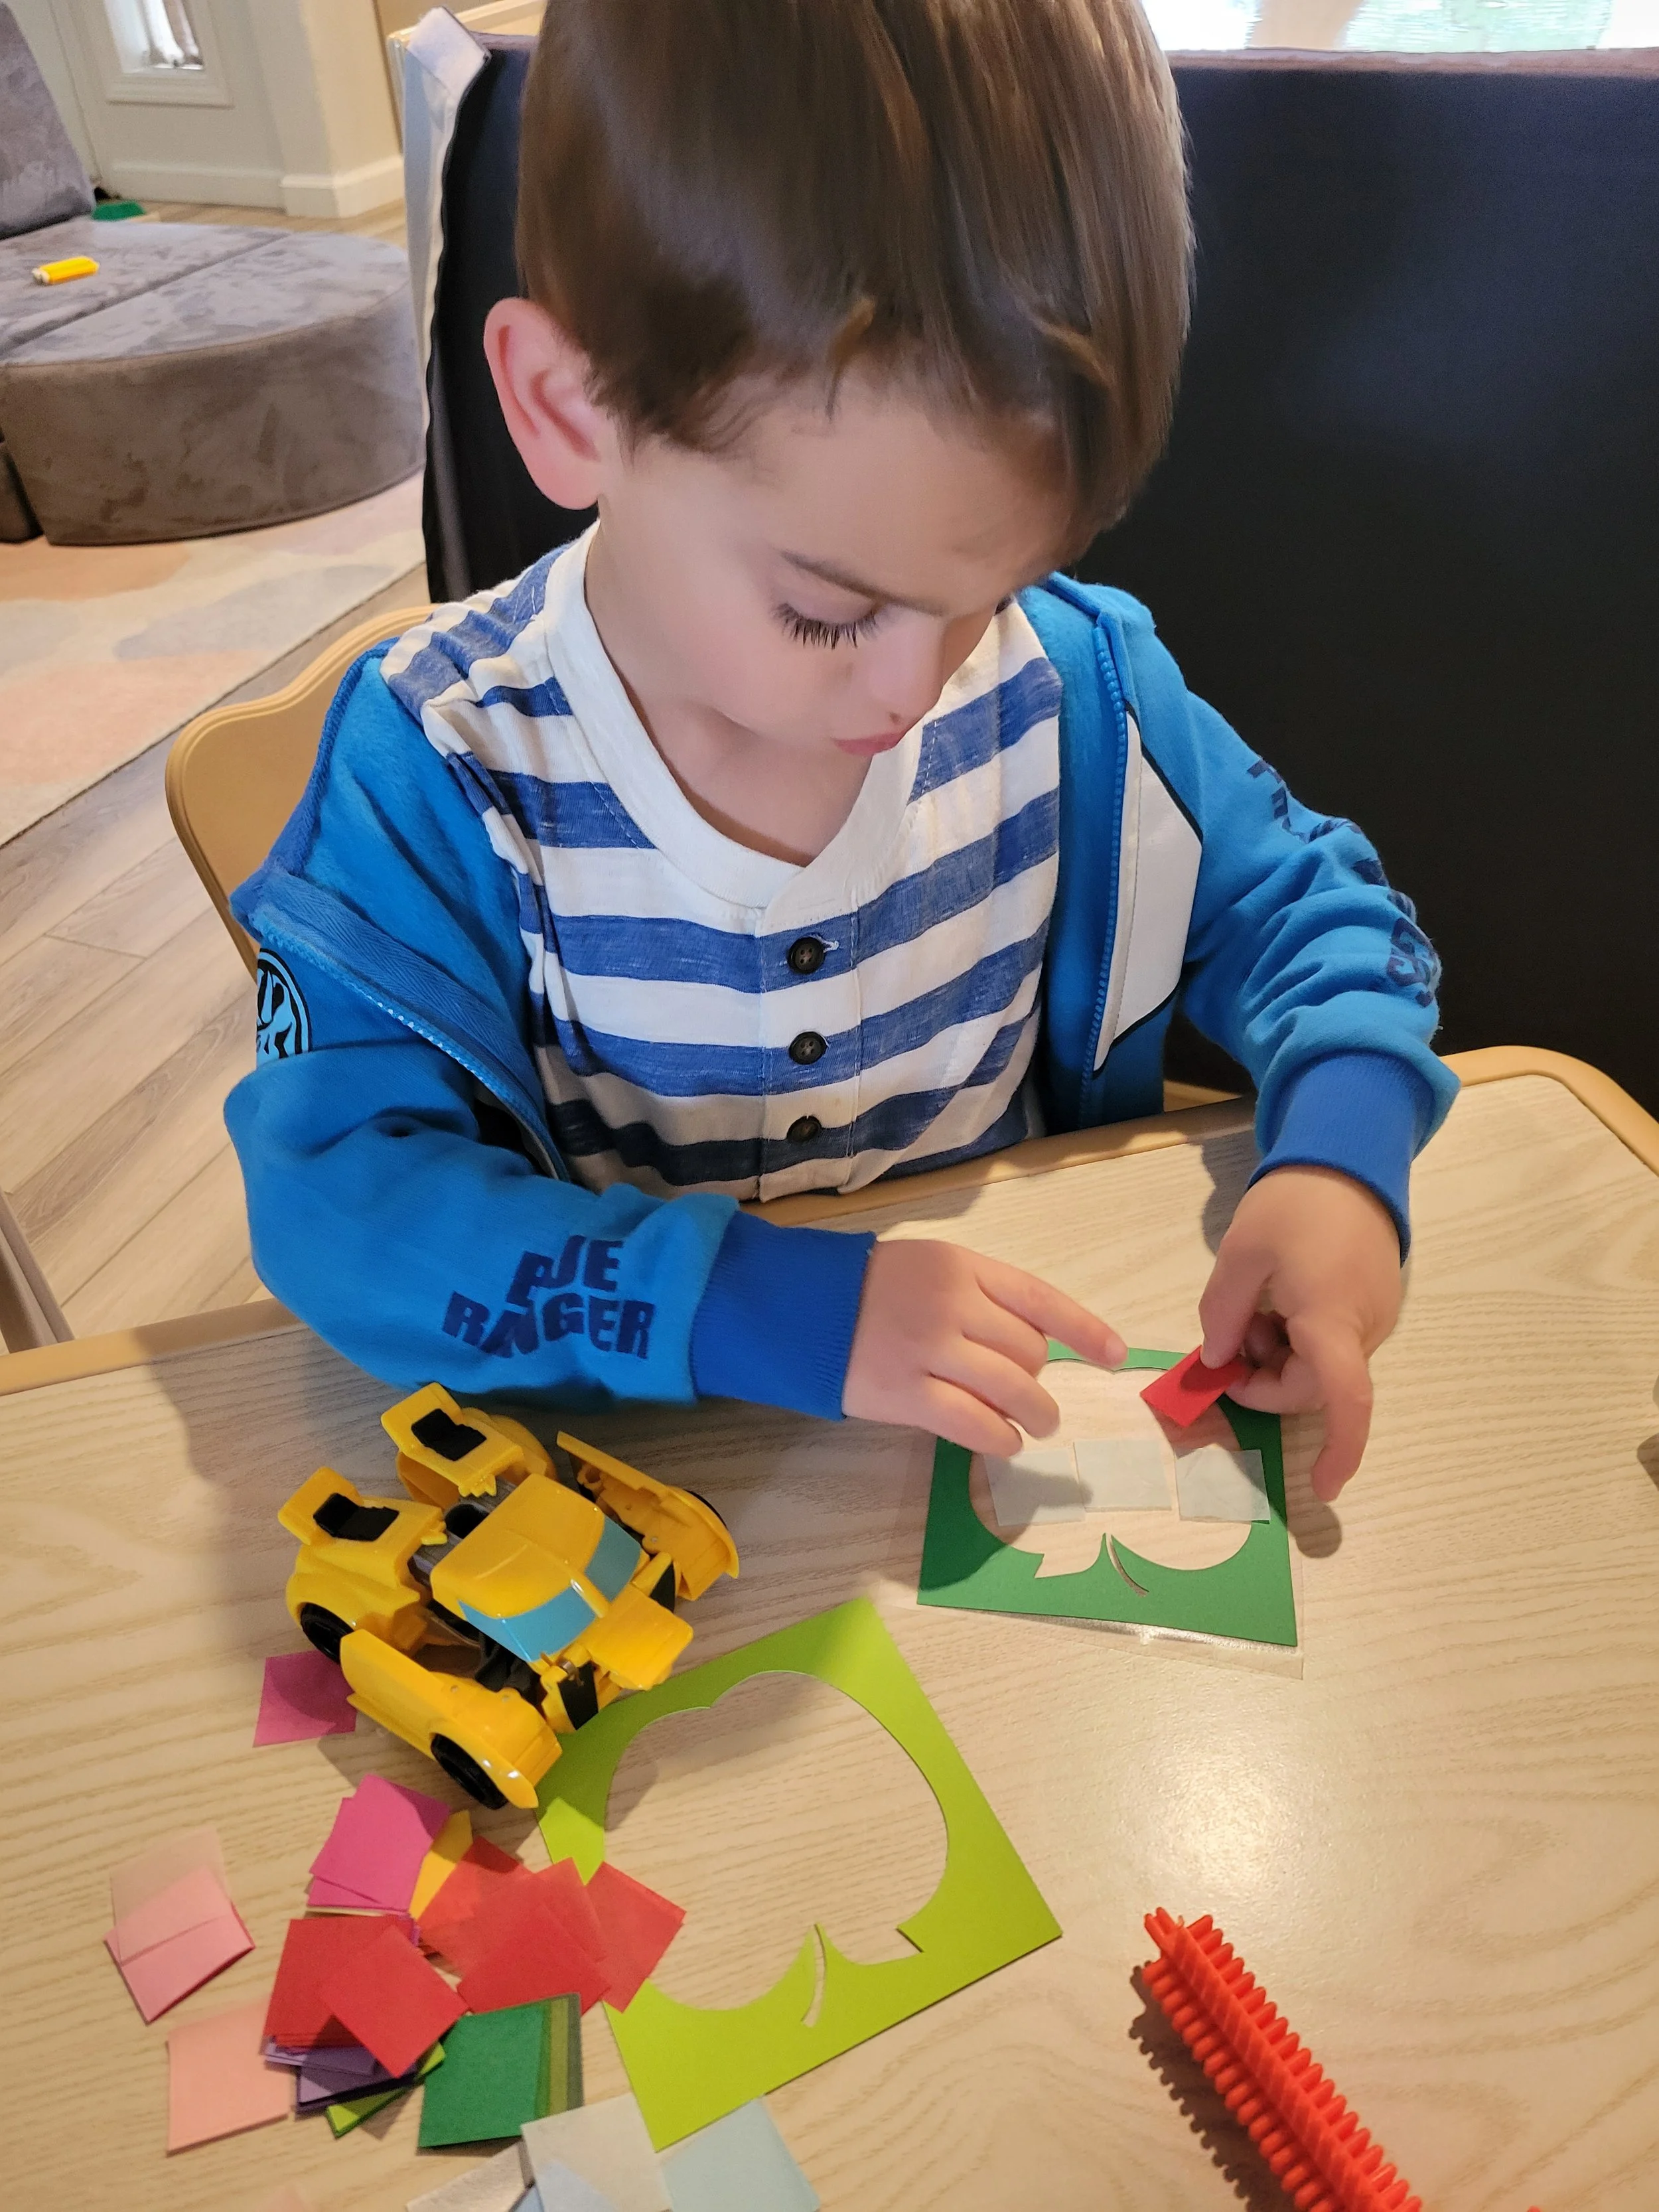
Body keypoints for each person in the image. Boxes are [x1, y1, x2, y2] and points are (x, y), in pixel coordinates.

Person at [227, 0, 1454, 1504]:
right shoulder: (437, 767)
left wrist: (1336, 1161)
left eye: (984, 589)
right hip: (636, 1476)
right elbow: (337, 1202)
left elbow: (1315, 917)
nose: (914, 684)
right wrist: (775, 1307)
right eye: (827, 611)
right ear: (566, 410)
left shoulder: (1076, 692)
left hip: (997, 1469)